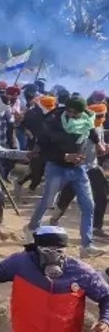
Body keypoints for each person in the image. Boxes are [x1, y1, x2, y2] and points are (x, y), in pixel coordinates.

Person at [0, 226, 109, 332]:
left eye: (59, 251)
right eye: (47, 251)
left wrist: (105, 321)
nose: (53, 256)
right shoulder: (20, 263)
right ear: (37, 249)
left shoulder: (81, 272)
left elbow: (106, 296)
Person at [26, 97, 107, 258]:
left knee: (88, 206)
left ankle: (86, 246)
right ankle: (31, 228)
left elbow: (90, 129)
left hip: (78, 168)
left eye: (76, 113)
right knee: (48, 202)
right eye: (70, 112)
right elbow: (43, 148)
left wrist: (98, 143)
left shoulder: (87, 118)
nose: (72, 115)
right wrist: (64, 156)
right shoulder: (52, 121)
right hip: (56, 167)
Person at [50, 101, 107, 236]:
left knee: (101, 196)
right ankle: (54, 219)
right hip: (77, 167)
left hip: (93, 166)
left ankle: (96, 227)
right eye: (98, 116)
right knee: (67, 196)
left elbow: (99, 146)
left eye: (102, 116)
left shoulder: (99, 128)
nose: (100, 118)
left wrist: (103, 147)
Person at [15, 94, 58, 197]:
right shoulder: (31, 113)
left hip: (49, 145)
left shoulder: (54, 114)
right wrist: (26, 131)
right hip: (35, 145)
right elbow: (21, 125)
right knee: (37, 169)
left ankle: (32, 186)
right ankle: (21, 183)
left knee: (44, 168)